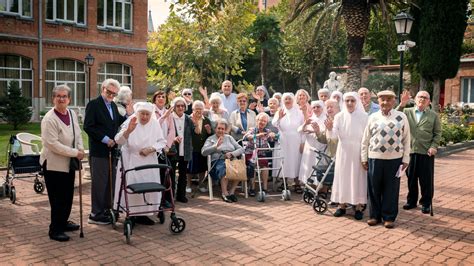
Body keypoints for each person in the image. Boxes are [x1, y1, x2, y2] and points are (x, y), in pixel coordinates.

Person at [40, 84, 85, 242]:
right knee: (57, 198)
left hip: (68, 164)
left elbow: (78, 133)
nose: (61, 99)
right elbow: (52, 144)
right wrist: (75, 153)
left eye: (64, 96)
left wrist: (80, 148)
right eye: (58, 96)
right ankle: (55, 229)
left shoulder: (71, 113)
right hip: (53, 164)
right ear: (53, 98)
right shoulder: (49, 119)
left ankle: (63, 222)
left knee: (67, 196)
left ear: (69, 99)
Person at [361, 90, 411, 229]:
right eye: (382, 99)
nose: (385, 102)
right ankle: (374, 216)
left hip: (395, 160)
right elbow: (365, 140)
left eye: (389, 99)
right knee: (373, 188)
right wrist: (364, 158)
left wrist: (406, 158)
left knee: (391, 189)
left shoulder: (401, 117)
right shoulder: (372, 117)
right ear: (378, 101)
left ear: (394, 101)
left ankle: (388, 217)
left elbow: (407, 140)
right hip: (374, 159)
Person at [113, 102, 167, 225]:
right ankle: (131, 213)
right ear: (137, 113)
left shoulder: (154, 124)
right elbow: (118, 140)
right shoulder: (130, 122)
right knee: (131, 187)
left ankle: (144, 214)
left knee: (148, 187)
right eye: (142, 114)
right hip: (130, 160)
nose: (144, 117)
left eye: (147, 114)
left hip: (149, 160)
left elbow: (162, 141)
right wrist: (128, 131)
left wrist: (152, 148)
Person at [84, 79, 129, 225]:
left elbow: (118, 122)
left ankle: (108, 210)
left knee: (111, 182)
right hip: (99, 151)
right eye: (108, 92)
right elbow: (88, 127)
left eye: (114, 93)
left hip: (112, 151)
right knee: (100, 183)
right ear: (102, 89)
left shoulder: (113, 106)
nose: (111, 95)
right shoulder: (94, 104)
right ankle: (95, 214)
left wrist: (129, 116)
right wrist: (105, 139)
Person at [326, 92, 368, 220]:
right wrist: (328, 128)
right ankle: (341, 205)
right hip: (343, 150)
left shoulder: (364, 116)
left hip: (358, 150)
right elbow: (333, 136)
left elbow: (367, 136)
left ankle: (359, 206)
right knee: (342, 177)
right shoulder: (339, 116)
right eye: (347, 101)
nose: (349, 103)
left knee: (358, 177)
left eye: (352, 100)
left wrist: (365, 155)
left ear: (357, 101)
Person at [399, 91, 441, 214]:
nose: (422, 99)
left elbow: (437, 133)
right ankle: (411, 201)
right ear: (415, 99)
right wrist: (402, 104)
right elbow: (395, 115)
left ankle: (426, 203)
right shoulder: (406, 112)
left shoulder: (433, 115)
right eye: (420, 97)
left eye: (425, 97)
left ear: (429, 101)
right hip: (410, 151)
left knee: (426, 180)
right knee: (411, 178)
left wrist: (434, 146)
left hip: (426, 152)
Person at [202, 119, 245, 203]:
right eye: (219, 128)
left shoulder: (229, 137)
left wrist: (232, 154)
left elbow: (241, 149)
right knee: (225, 169)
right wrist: (215, 146)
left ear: (225, 130)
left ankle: (232, 192)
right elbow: (203, 152)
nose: (221, 130)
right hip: (218, 161)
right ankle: (225, 193)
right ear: (215, 129)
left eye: (222, 129)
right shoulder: (210, 139)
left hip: (231, 159)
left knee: (240, 169)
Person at [272, 93, 304, 192]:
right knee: (283, 160)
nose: (287, 101)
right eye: (285, 99)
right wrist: (279, 117)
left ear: (293, 100)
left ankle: (297, 183)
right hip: (283, 139)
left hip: (296, 139)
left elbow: (303, 127)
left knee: (296, 159)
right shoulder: (280, 111)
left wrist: (303, 142)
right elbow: (274, 124)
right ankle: (283, 182)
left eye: (289, 99)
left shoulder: (299, 112)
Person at [243, 112, 276, 196]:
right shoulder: (252, 129)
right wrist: (257, 135)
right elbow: (247, 137)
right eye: (261, 120)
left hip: (261, 154)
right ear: (257, 121)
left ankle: (264, 188)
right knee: (253, 165)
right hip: (251, 153)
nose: (262, 123)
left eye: (264, 121)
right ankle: (252, 188)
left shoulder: (267, 131)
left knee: (265, 166)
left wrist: (273, 136)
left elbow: (272, 139)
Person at [169, 97, 194, 203]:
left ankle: (181, 195)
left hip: (185, 149)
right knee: (171, 173)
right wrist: (173, 139)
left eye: (182, 106)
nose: (180, 108)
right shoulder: (170, 117)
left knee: (183, 174)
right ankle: (170, 196)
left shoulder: (188, 118)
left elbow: (192, 132)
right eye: (178, 106)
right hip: (173, 149)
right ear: (174, 107)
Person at [298, 100, 327, 185]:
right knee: (308, 165)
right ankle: (308, 185)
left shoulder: (326, 118)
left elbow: (326, 132)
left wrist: (314, 132)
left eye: (318, 107)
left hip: (319, 146)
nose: (316, 109)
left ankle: (319, 187)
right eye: (314, 107)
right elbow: (299, 130)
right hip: (309, 146)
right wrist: (305, 124)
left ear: (322, 108)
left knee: (318, 165)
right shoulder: (310, 119)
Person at [187, 100, 213, 193]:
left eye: (200, 109)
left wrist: (209, 131)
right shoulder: (188, 119)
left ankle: (201, 184)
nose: (198, 111)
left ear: (203, 110)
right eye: (196, 109)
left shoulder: (206, 120)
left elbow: (211, 135)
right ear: (193, 109)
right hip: (191, 147)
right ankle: (188, 185)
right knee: (190, 168)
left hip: (203, 148)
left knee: (202, 168)